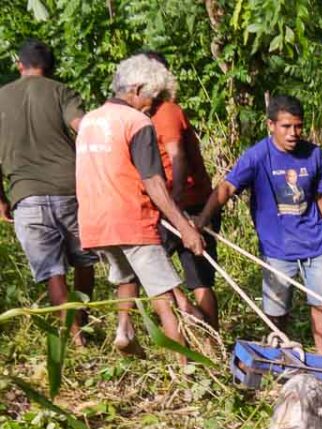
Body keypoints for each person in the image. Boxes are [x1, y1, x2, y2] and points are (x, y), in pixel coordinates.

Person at [196, 94, 322, 355]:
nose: (293, 133)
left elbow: (320, 196)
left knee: (321, 302)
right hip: (277, 247)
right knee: (277, 310)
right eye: (286, 127)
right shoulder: (257, 156)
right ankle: (281, 352)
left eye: (298, 126)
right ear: (271, 125)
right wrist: (201, 220)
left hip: (315, 242)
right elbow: (227, 187)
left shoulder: (313, 155)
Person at [75, 54, 204, 358]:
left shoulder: (90, 120)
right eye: (153, 98)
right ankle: (184, 367)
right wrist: (185, 228)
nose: (154, 106)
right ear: (136, 89)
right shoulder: (137, 122)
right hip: (132, 220)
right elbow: (154, 183)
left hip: (95, 223)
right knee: (164, 297)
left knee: (126, 277)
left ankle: (124, 329)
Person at [0, 39, 96, 343]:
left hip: (25, 195)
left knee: (51, 271)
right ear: (50, 67)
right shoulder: (61, 91)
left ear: (20, 66)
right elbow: (83, 126)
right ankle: (85, 318)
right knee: (85, 258)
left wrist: (1, 200)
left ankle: (76, 336)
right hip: (70, 189)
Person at [140, 50, 220, 329]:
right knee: (155, 272)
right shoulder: (144, 115)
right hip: (170, 207)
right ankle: (188, 323)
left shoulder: (167, 112)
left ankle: (211, 343)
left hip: (187, 206)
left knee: (199, 278)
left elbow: (178, 157)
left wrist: (172, 205)